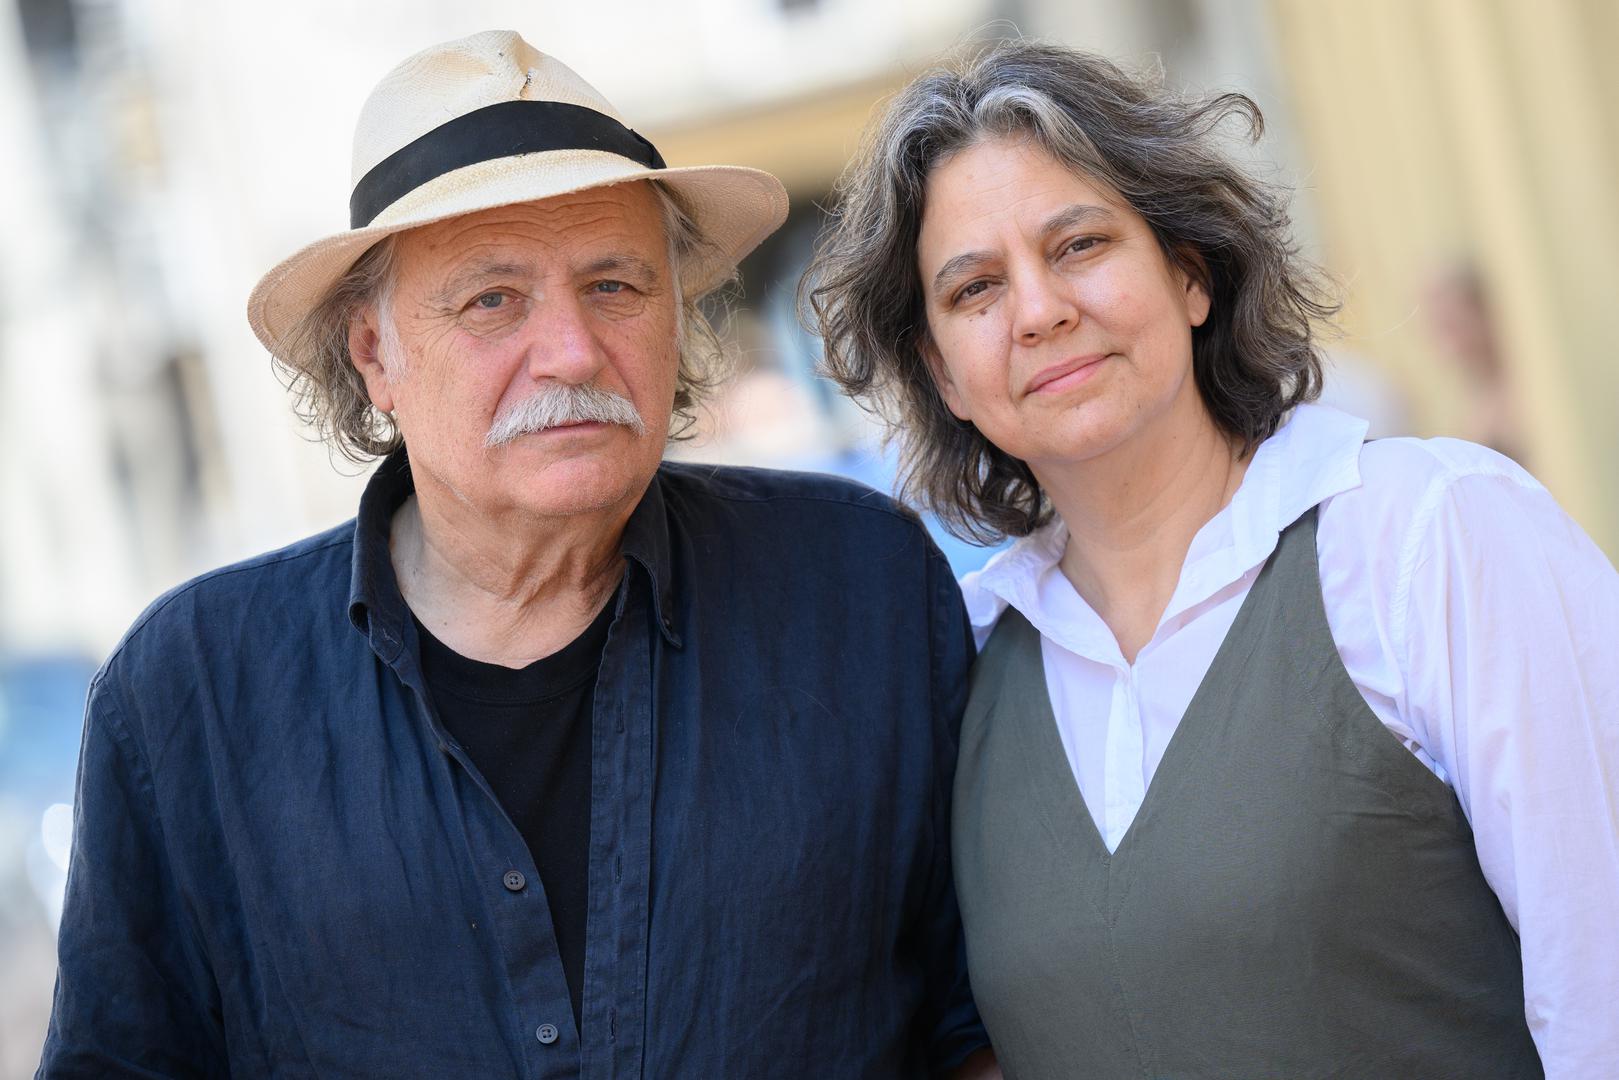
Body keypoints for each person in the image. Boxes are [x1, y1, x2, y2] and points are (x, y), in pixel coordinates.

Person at [39, 31, 996, 1079]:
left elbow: (980, 1028)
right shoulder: (192, 694)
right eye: (491, 299)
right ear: (375, 356)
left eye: (614, 286)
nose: (573, 351)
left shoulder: (859, 586)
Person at [807, 39, 1618, 1079]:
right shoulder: (963, 672)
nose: (1039, 311)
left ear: (1188, 274)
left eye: (1079, 245)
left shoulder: (1429, 538)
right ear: (944, 376)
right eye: (974, 290)